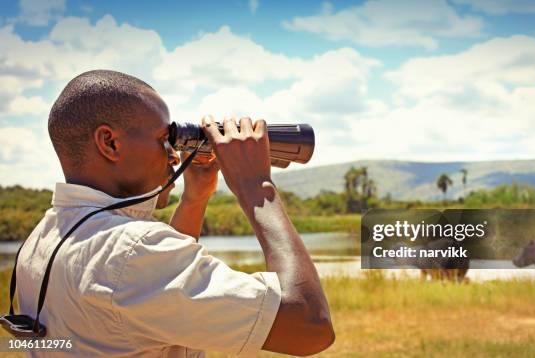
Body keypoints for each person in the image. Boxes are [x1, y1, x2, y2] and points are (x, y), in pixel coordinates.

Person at [15, 70, 334, 357]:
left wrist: (195, 199)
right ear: (110, 143)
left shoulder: (44, 237)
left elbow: (154, 298)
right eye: (162, 140)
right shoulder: (131, 254)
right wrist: (257, 186)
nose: (173, 156)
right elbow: (308, 325)